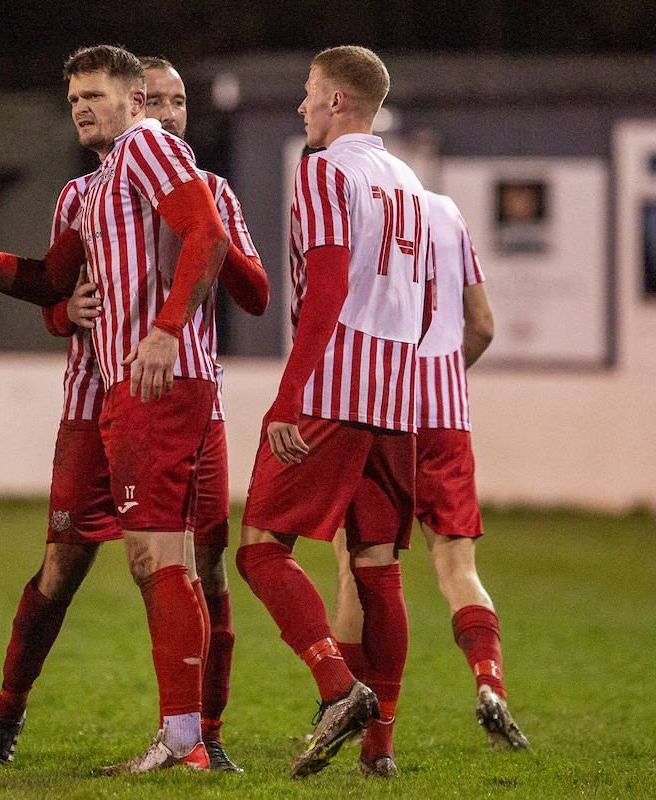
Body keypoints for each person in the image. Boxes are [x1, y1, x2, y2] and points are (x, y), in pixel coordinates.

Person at [0, 45, 234, 774]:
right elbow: (52, 281)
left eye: (95, 93)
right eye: (73, 98)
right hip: (100, 399)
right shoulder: (89, 190)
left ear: (135, 99)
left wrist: (164, 328)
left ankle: (193, 735)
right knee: (73, 570)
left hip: (156, 381)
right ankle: (11, 718)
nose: (83, 106)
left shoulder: (151, 150)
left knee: (175, 560)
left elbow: (210, 240)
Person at [235, 45, 434, 780]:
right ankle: (379, 749)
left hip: (335, 389)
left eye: (310, 94)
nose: (302, 107)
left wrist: (288, 399)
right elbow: (427, 298)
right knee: (378, 569)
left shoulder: (325, 169)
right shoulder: (407, 180)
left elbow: (325, 289)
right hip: (397, 393)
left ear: (339, 103)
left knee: (259, 547)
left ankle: (336, 690)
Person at [328, 191, 530, 752]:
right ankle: (490, 685)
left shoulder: (356, 207)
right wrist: (445, 376)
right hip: (446, 417)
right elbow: (483, 325)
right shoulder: (447, 212)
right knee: (457, 568)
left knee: (357, 568)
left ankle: (352, 716)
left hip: (380, 410)